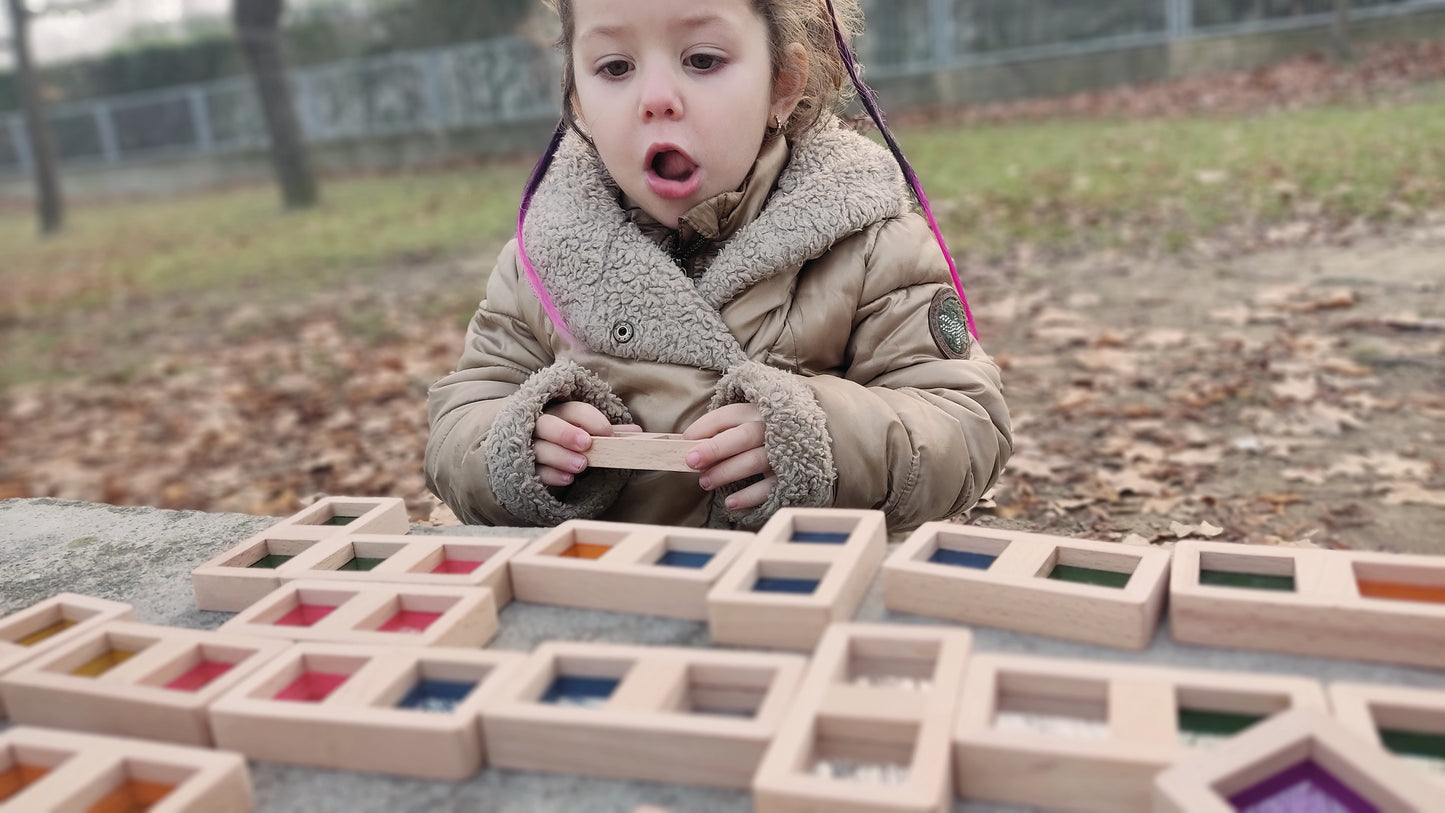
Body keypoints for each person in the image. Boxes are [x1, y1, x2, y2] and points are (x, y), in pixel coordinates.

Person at [426, 0, 1011, 531]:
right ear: (577, 99)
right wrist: (515, 445)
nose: (655, 98)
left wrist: (824, 438)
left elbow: (965, 423)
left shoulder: (869, 241)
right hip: (604, 597)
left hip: (801, 605)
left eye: (702, 59)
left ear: (783, 85)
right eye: (614, 68)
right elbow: (459, 422)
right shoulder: (542, 258)